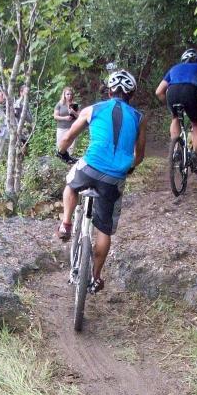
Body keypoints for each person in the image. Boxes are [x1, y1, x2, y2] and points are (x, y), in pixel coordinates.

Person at [55, 70, 146, 294]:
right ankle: (95, 276)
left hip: (90, 166)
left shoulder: (93, 109)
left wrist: (62, 153)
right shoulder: (138, 118)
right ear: (131, 94)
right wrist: (129, 167)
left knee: (70, 184)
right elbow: (140, 154)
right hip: (115, 177)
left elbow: (67, 138)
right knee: (104, 229)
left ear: (109, 91)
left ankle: (66, 223)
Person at [154, 49, 197, 171]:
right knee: (196, 124)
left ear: (183, 61)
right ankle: (194, 153)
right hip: (190, 91)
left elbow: (158, 92)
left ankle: (176, 149)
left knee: (175, 118)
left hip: (172, 92)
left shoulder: (174, 68)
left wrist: (168, 104)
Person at [54, 86, 79, 156]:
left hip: (72, 128)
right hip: (61, 128)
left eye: (71, 94)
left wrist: (73, 112)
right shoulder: (60, 104)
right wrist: (64, 118)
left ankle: (69, 160)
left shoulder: (75, 104)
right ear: (64, 95)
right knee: (60, 146)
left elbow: (79, 117)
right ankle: (60, 161)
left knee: (71, 146)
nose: (69, 96)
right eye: (67, 94)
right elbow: (55, 116)